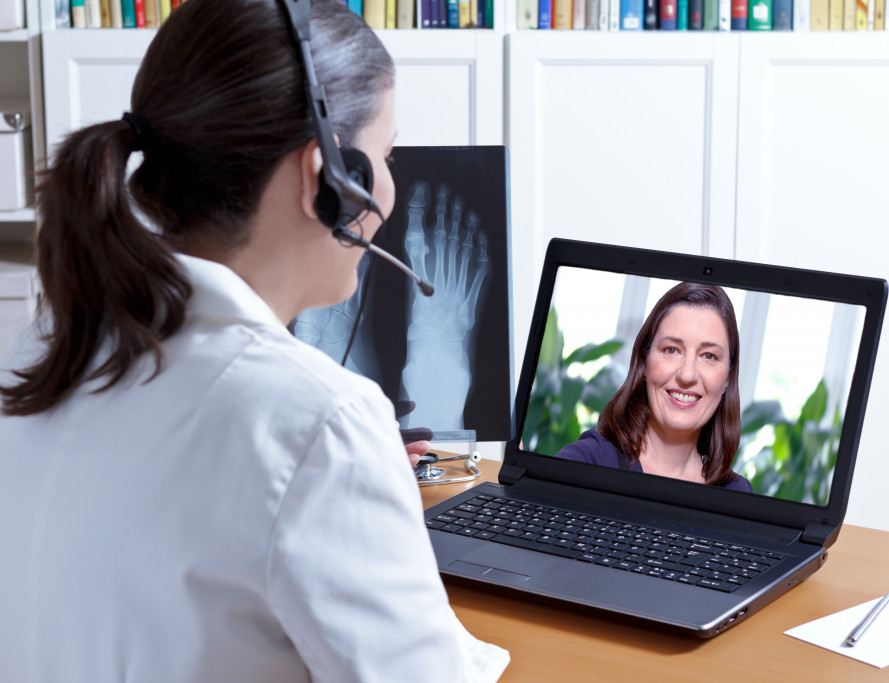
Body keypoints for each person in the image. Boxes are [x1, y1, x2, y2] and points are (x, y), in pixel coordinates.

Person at [0, 1, 508, 681]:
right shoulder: (319, 424)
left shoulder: (42, 346)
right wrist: (346, 471)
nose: (389, 186)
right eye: (386, 156)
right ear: (324, 180)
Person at [556, 282, 752, 492]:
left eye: (708, 356)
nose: (687, 374)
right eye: (671, 350)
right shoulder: (590, 460)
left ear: (727, 380)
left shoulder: (736, 492)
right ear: (644, 363)